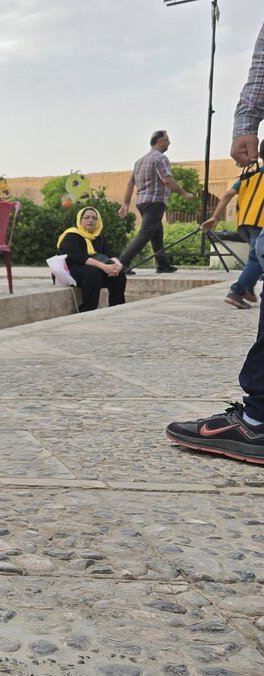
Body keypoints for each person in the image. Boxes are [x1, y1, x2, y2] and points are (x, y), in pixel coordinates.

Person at [166, 19, 264, 465]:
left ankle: (257, 420)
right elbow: (226, 193)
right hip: (253, 224)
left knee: (260, 259)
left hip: (256, 227)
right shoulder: (253, 173)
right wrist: (215, 214)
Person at [117, 131, 193, 274]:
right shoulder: (160, 158)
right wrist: (184, 193)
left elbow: (130, 184)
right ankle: (122, 264)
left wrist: (126, 203)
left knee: (157, 233)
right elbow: (167, 180)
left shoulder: (139, 161)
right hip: (154, 202)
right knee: (145, 234)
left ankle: (163, 265)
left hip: (142, 202)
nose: (169, 142)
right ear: (160, 142)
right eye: (167, 140)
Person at [200, 145, 264, 309]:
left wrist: (215, 216)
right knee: (257, 259)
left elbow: (228, 194)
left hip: (243, 223)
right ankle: (237, 292)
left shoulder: (250, 174)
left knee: (255, 257)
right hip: (260, 223)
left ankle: (248, 288)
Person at [57, 207, 127, 312]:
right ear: (80, 220)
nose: (90, 220)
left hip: (95, 269)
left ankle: (116, 308)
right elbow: (81, 258)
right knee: (92, 273)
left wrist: (118, 266)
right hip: (71, 270)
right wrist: (104, 267)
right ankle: (88, 310)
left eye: (94, 218)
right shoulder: (71, 235)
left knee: (119, 275)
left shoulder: (98, 236)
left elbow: (109, 255)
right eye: (87, 217)